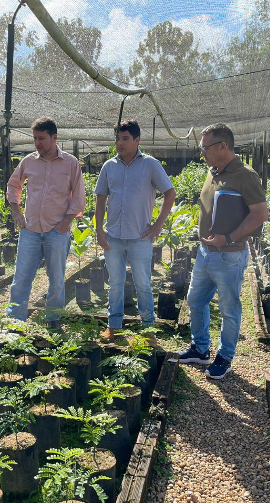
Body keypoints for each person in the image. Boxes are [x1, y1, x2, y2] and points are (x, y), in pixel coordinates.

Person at [178, 123, 268, 379]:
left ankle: (225, 358)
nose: (201, 152)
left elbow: (261, 214)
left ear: (222, 146)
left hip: (230, 255)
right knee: (196, 300)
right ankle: (200, 348)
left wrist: (227, 237)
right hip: (205, 253)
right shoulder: (213, 172)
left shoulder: (245, 175)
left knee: (229, 310)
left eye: (205, 147)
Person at [95, 119, 176, 342]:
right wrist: (99, 230)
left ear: (137, 140)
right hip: (113, 236)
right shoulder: (109, 166)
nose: (119, 143)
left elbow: (170, 192)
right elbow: (101, 199)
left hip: (140, 236)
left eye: (125, 139)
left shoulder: (150, 164)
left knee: (143, 283)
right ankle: (114, 327)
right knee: (115, 283)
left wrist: (159, 224)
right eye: (118, 139)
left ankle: (148, 328)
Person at [6, 117, 86, 326]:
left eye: (42, 138)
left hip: (56, 231)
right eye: (35, 138)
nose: (37, 143)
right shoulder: (29, 161)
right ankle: (15, 323)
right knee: (21, 278)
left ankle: (53, 320)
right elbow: (14, 185)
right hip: (30, 230)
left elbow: (78, 196)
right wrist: (16, 210)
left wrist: (66, 222)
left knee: (57, 280)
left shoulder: (70, 163)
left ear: (54, 137)